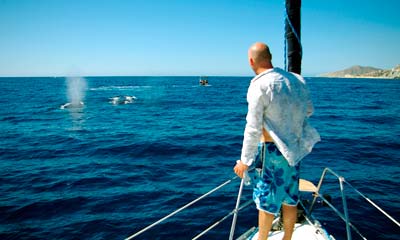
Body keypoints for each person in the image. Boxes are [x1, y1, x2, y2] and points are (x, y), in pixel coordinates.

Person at [234, 42, 320, 240]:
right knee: (290, 198)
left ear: (251, 61)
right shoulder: (297, 80)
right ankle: (287, 238)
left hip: (272, 152)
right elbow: (308, 110)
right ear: (270, 56)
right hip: (294, 149)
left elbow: (253, 127)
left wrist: (244, 161)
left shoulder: (259, 85)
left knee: (267, 201)